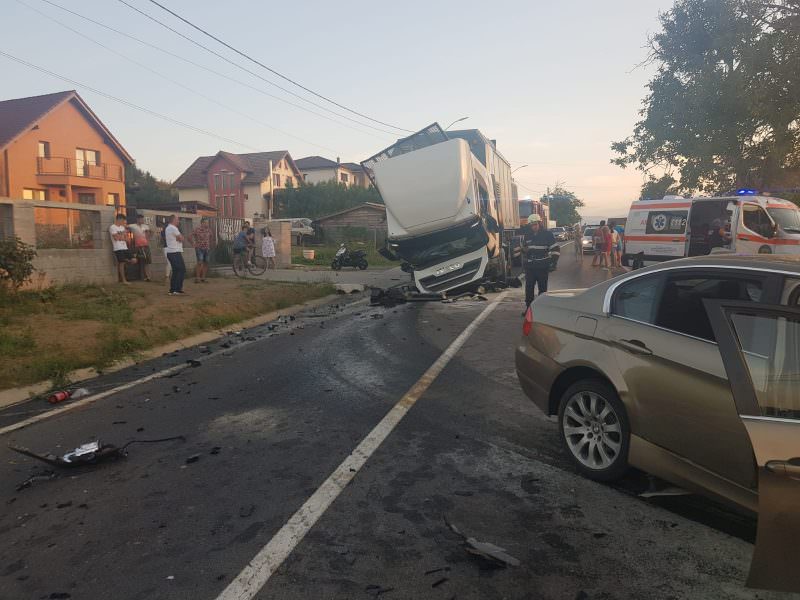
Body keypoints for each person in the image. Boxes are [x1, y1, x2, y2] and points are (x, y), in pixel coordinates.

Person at [522, 214, 560, 310]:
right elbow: (524, 249)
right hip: (530, 267)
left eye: (535, 224)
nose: (533, 227)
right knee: (529, 288)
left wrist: (553, 263)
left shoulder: (547, 235)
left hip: (542, 266)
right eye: (531, 225)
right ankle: (528, 308)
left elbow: (555, 249)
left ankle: (541, 309)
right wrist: (525, 252)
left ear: (539, 223)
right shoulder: (527, 235)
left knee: (542, 289)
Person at [164, 214, 186, 295]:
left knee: (176, 270)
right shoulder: (173, 228)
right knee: (181, 270)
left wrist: (179, 238)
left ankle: (173, 289)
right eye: (177, 219)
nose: (178, 221)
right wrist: (179, 238)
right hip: (174, 252)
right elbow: (181, 238)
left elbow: (180, 238)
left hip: (172, 252)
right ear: (173, 220)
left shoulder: (168, 227)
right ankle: (176, 289)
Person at [109, 213, 133, 285]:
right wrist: (123, 237)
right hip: (118, 248)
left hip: (125, 247)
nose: (123, 222)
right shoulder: (112, 227)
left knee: (134, 260)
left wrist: (122, 237)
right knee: (122, 263)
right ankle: (123, 280)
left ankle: (125, 262)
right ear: (119, 219)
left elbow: (128, 239)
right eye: (122, 221)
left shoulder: (122, 228)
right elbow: (116, 238)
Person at [128, 213, 152, 281]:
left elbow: (149, 235)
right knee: (140, 261)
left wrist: (148, 236)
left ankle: (147, 276)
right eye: (140, 219)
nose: (142, 220)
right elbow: (126, 227)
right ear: (137, 219)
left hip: (145, 245)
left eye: (142, 219)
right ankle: (143, 276)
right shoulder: (133, 226)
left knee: (147, 261)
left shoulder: (146, 226)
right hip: (138, 246)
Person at [190, 217, 212, 283]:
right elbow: (189, 237)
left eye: (207, 223)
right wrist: (193, 243)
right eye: (206, 223)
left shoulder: (209, 230)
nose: (207, 224)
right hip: (199, 248)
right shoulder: (197, 229)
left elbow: (211, 237)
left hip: (207, 249)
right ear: (202, 223)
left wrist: (208, 244)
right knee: (200, 262)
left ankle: (203, 278)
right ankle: (197, 278)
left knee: (206, 263)